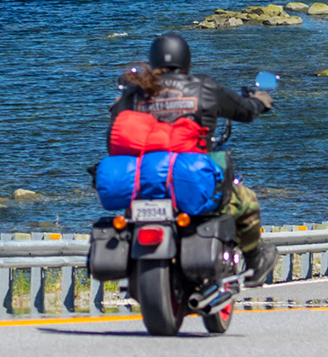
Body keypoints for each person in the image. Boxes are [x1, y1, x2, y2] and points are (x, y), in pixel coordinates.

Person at [109, 31, 276, 285]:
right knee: (247, 201)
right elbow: (244, 111)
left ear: (153, 61)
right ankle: (254, 262)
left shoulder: (134, 94)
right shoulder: (203, 87)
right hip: (190, 180)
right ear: (185, 59)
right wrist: (260, 101)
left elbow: (114, 133)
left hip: (143, 184)